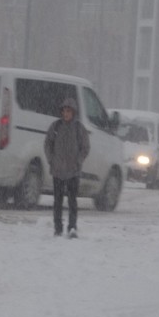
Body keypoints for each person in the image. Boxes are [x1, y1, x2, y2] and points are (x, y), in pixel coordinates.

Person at [44, 97, 90, 238]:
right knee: (57, 201)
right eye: (64, 111)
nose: (66, 114)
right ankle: (58, 228)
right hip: (57, 171)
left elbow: (85, 147)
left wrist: (78, 161)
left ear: (73, 112)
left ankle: (72, 227)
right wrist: (51, 160)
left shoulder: (78, 128)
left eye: (68, 111)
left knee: (72, 201)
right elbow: (48, 145)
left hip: (73, 171)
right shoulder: (55, 127)